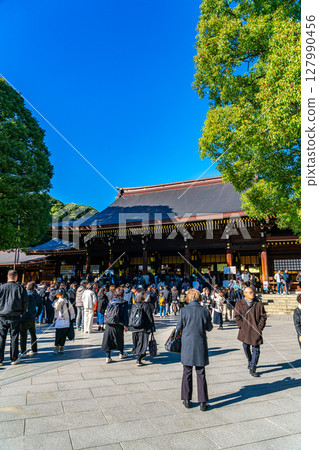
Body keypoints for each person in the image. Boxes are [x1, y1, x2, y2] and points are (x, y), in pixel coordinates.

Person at [176, 288, 213, 411]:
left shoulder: (183, 311)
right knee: (200, 372)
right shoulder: (204, 311)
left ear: (189, 298)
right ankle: (202, 401)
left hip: (187, 343)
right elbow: (209, 328)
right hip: (200, 343)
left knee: (187, 371)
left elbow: (179, 327)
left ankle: (186, 399)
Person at [234, 286, 267, 377]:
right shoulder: (239, 303)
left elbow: (263, 316)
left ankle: (253, 367)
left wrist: (260, 327)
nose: (253, 294)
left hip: (256, 329)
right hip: (245, 329)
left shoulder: (258, 304)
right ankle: (250, 359)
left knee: (256, 349)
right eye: (250, 292)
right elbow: (237, 316)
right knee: (245, 346)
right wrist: (241, 325)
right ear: (245, 293)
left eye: (253, 292)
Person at [0, 270, 28, 365]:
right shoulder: (20, 288)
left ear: (8, 277)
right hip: (15, 315)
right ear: (16, 277)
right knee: (14, 336)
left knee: (1, 337)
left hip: (2, 315)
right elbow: (25, 302)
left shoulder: (1, 287)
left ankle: (0, 359)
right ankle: (13, 358)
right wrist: (22, 312)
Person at [102, 287, 129, 363]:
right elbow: (125, 315)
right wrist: (126, 325)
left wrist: (105, 322)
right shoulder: (123, 303)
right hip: (118, 324)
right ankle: (121, 353)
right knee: (120, 339)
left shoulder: (111, 301)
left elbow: (106, 312)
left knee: (108, 339)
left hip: (109, 323)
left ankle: (108, 357)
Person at [130, 289, 156, 366]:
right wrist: (152, 328)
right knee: (142, 343)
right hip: (143, 327)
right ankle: (139, 359)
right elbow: (149, 317)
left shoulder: (134, 305)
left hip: (134, 327)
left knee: (137, 342)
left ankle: (140, 355)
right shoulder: (146, 305)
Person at [20, 281, 43, 357]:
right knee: (33, 334)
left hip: (23, 317)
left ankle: (23, 351)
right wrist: (37, 314)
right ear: (34, 287)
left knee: (23, 335)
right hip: (32, 317)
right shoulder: (36, 294)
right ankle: (34, 349)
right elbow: (40, 306)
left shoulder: (23, 293)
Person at [53, 288, 75, 354]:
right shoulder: (56, 301)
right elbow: (56, 308)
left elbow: (71, 310)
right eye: (58, 295)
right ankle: (56, 346)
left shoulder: (67, 301)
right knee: (58, 334)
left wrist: (72, 318)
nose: (59, 296)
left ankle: (62, 346)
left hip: (66, 320)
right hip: (58, 320)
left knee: (63, 334)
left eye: (60, 295)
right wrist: (60, 300)